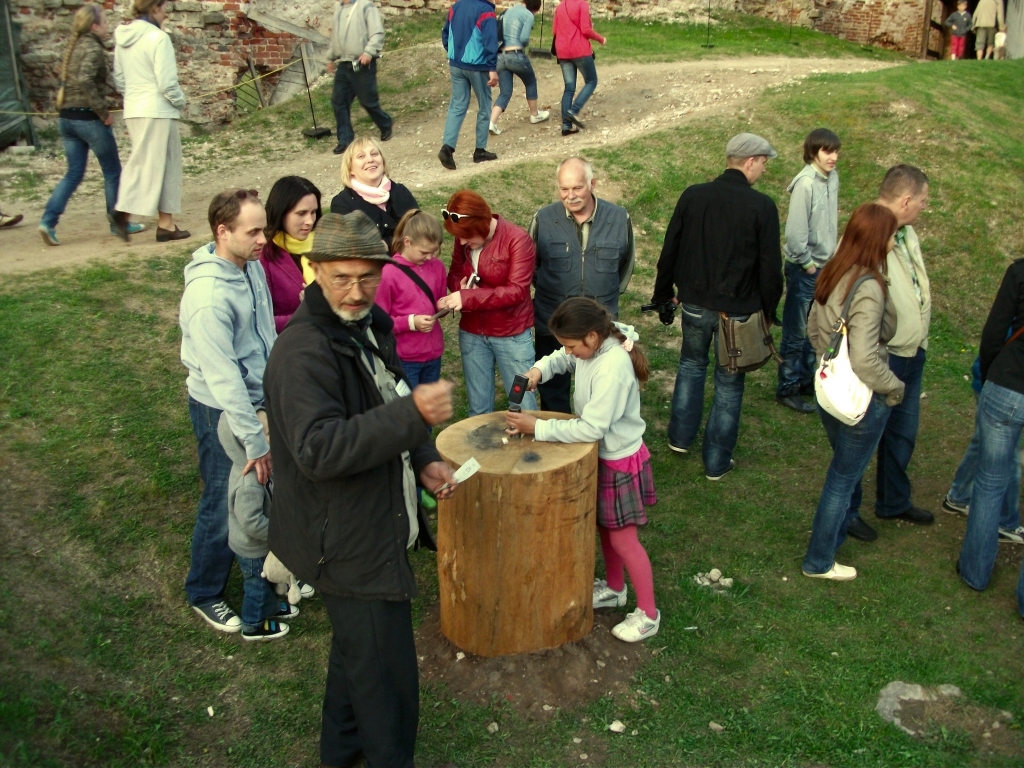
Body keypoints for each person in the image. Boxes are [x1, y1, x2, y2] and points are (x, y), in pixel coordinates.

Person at [263, 210, 459, 768]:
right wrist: (412, 419)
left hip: (370, 526)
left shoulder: (368, 325)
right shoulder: (303, 352)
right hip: (348, 544)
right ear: (314, 269)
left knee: (357, 664)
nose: (356, 290)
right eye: (341, 277)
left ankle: (341, 755)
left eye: (367, 277)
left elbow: (390, 396)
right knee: (388, 687)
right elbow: (319, 450)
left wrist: (422, 457)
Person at [507, 298, 660, 642]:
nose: (569, 352)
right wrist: (538, 371)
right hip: (602, 456)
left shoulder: (614, 367)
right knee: (606, 527)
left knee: (624, 538)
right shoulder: (592, 348)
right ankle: (616, 588)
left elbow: (592, 429)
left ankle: (649, 613)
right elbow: (562, 358)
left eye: (572, 345)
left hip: (618, 459)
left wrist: (537, 427)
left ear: (592, 336)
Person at [651, 133, 784, 480]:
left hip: (694, 305)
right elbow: (771, 268)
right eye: (764, 163)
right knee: (729, 382)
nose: (764, 170)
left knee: (691, 366)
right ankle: (716, 461)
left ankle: (680, 437)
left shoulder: (694, 196)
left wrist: (662, 295)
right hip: (739, 313)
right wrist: (769, 312)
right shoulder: (762, 207)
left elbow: (671, 250)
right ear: (751, 161)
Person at [179, 188, 275, 633]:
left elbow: (264, 334)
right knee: (223, 500)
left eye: (265, 228)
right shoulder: (207, 298)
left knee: (252, 498)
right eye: (253, 231)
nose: (264, 239)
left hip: (258, 399)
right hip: (221, 408)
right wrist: (255, 442)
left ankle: (265, 574)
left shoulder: (249, 265)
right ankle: (204, 591)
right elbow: (224, 380)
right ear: (223, 232)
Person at [802, 204, 905, 582]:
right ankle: (819, 560)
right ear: (879, 239)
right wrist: (894, 388)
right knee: (842, 479)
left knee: (844, 472)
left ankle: (839, 533)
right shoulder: (869, 287)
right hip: (860, 397)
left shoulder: (833, 271)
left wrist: (825, 367)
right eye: (893, 235)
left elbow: (813, 328)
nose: (896, 241)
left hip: (829, 391)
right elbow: (864, 357)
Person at [844, 165, 934, 543]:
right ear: (906, 199)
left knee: (902, 432)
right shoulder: (869, 231)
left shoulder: (907, 232)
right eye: (923, 202)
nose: (925, 209)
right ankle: (848, 511)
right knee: (864, 435)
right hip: (885, 355)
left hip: (914, 351)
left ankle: (893, 500)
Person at [530, 156, 635, 413]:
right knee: (553, 388)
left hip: (600, 326)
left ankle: (591, 443)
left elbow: (625, 266)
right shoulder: (543, 218)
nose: (570, 195)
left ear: (592, 184)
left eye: (577, 188)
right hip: (553, 322)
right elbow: (532, 267)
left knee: (599, 390)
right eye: (564, 189)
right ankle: (558, 441)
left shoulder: (619, 218)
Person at [39, 4, 142, 247]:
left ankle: (48, 221)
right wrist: (103, 112)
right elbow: (86, 79)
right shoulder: (94, 49)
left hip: (67, 117)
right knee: (112, 171)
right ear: (94, 26)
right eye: (105, 22)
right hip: (88, 119)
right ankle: (118, 223)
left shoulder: (72, 47)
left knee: (73, 173)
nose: (107, 27)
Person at [437, 189, 537, 415]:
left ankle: (528, 447)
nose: (461, 241)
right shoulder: (463, 238)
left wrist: (469, 296)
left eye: (467, 236)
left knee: (521, 404)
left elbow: (517, 291)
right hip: (473, 333)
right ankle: (479, 449)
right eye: (458, 236)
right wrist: (459, 287)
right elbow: (453, 274)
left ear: (482, 223)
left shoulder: (517, 240)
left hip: (511, 335)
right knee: (478, 407)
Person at [958, 258, 1024, 597]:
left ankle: (975, 572)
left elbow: (995, 329)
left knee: (989, 483)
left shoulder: (1020, 271)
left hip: (1008, 384)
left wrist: (989, 372)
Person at [776, 128, 841, 414]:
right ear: (813, 152)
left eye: (836, 151)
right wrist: (809, 265)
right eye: (828, 151)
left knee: (816, 329)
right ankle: (786, 387)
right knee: (796, 332)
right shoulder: (805, 184)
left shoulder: (832, 178)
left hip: (825, 267)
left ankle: (804, 380)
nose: (834, 157)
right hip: (806, 268)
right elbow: (794, 235)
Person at [217, 411, 297, 641]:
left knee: (266, 580)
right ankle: (253, 624)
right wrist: (279, 533)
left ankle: (269, 607)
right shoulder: (249, 483)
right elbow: (251, 523)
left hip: (262, 541)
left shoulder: (261, 467)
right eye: (269, 433)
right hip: (252, 547)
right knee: (258, 585)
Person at [113, 0, 189, 242]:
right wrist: (180, 101)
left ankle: (166, 224)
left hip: (136, 107)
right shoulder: (158, 38)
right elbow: (167, 82)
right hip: (157, 108)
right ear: (154, 8)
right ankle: (123, 212)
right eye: (164, 8)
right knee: (147, 163)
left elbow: (120, 79)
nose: (166, 14)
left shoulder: (123, 39)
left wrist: (135, 98)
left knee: (163, 164)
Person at [376, 209, 447, 387]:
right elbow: (379, 322)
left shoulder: (437, 267)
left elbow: (439, 305)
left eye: (433, 252)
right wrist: (411, 323)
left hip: (433, 354)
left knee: (430, 411)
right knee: (410, 410)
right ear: (407, 242)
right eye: (424, 252)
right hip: (405, 359)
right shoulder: (388, 273)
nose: (429, 257)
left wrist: (447, 304)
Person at [325, 0, 392, 156]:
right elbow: (336, 38)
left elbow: (377, 33)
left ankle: (385, 124)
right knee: (338, 100)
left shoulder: (366, 6)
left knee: (368, 101)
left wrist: (369, 52)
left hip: (362, 63)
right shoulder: (339, 10)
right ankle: (345, 139)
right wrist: (330, 57)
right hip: (344, 63)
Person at [438, 0, 499, 170]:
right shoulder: (486, 10)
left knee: (457, 105)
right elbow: (490, 41)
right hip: (478, 66)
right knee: (485, 106)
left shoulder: (456, 6)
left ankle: (447, 148)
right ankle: (480, 150)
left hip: (456, 64)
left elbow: (445, 33)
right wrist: (492, 68)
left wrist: (453, 53)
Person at [329, 137, 418, 251]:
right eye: (361, 156)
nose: (370, 160)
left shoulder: (401, 192)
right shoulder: (342, 203)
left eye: (374, 154)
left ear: (383, 161)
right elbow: (355, 247)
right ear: (350, 168)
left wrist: (386, 244)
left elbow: (419, 233)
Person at [260, 176, 322, 332]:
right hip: (293, 346)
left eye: (313, 212)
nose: (309, 221)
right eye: (301, 213)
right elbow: (262, 321)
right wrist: (308, 312)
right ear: (281, 213)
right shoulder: (263, 256)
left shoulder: (325, 244)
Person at [487, 0, 550, 136]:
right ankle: (534, 114)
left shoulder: (507, 11)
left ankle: (491, 122)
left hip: (500, 56)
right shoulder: (528, 14)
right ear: (534, 7)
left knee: (505, 92)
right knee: (530, 81)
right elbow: (524, 39)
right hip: (515, 54)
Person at [553, 0, 605, 138]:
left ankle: (566, 126)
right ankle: (573, 111)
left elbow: (554, 30)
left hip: (562, 51)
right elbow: (586, 29)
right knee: (591, 81)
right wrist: (601, 39)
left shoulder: (560, 6)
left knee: (569, 88)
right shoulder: (582, 4)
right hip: (579, 49)